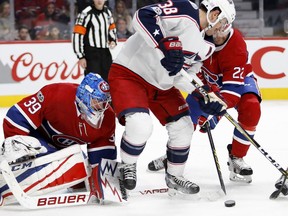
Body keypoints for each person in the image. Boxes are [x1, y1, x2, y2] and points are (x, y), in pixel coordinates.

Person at [108, 0, 236, 195]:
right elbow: (143, 15)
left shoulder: (207, 45)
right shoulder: (186, 10)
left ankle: (175, 175)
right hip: (130, 73)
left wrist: (202, 93)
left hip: (162, 86)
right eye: (223, 22)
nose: (222, 29)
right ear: (214, 13)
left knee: (184, 126)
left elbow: (184, 75)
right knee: (141, 125)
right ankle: (127, 166)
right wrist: (163, 45)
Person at [148, 26, 262, 184]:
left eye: (223, 29)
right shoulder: (196, 37)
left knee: (251, 107)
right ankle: (173, 155)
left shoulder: (236, 44)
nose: (218, 34)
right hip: (208, 84)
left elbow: (232, 90)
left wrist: (215, 116)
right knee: (186, 119)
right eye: (215, 29)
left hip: (238, 82)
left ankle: (237, 157)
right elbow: (193, 73)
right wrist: (207, 105)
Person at [1, 73, 117, 202]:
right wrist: (16, 157)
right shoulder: (56, 94)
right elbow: (15, 118)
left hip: (60, 153)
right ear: (84, 96)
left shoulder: (108, 118)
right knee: (24, 145)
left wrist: (105, 184)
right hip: (35, 145)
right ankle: (6, 182)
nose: (103, 107)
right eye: (97, 101)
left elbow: (102, 158)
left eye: (105, 102)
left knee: (80, 167)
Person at [72, 0, 117, 81]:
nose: (99, 0)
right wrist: (81, 56)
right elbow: (77, 35)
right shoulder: (85, 13)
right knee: (93, 82)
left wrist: (112, 39)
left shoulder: (108, 12)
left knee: (108, 79)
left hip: (105, 52)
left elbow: (112, 27)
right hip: (91, 53)